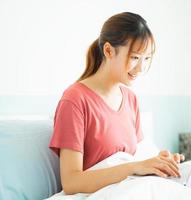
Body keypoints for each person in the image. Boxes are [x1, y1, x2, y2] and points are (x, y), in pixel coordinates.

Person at [49, 12, 184, 195]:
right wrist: (134, 167)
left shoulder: (131, 99)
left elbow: (136, 159)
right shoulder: (74, 100)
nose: (141, 68)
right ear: (108, 51)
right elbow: (71, 182)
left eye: (147, 58)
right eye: (135, 57)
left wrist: (159, 163)